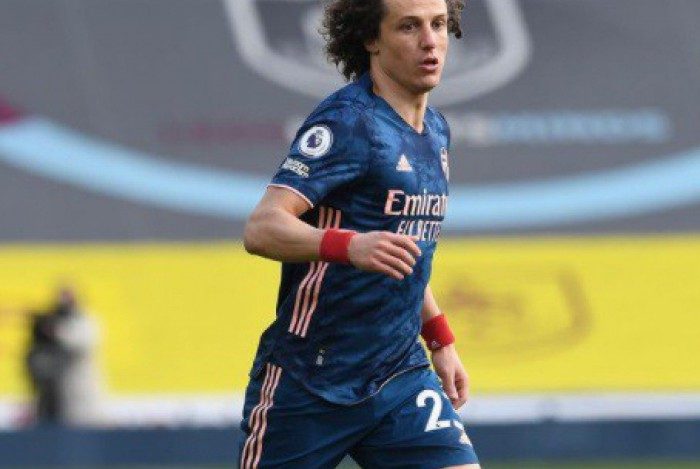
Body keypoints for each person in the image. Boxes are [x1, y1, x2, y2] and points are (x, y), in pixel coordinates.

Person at [240, 0, 478, 467]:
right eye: (408, 27)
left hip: (399, 376)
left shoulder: (435, 131)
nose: (430, 42)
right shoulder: (348, 122)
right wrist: (350, 245)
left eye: (438, 24)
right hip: (310, 380)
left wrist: (440, 339)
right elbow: (262, 227)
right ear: (371, 39)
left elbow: (404, 251)